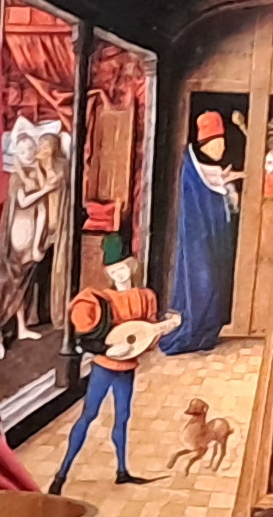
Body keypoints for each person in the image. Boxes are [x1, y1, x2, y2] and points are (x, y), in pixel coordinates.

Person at [42, 260, 163, 491]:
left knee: (123, 417)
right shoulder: (102, 299)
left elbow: (147, 338)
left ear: (132, 267)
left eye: (123, 268)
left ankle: (122, 471)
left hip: (127, 368)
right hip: (104, 367)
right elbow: (88, 333)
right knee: (89, 415)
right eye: (113, 271)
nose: (119, 274)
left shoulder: (145, 296)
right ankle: (61, 475)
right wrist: (109, 349)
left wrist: (160, 330)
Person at [164, 110, 240, 354]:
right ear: (205, 144)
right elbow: (202, 192)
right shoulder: (191, 168)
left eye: (222, 144)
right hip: (197, 239)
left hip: (213, 238)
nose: (221, 149)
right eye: (216, 144)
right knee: (201, 281)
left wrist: (227, 180)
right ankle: (193, 331)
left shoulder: (206, 168)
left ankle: (206, 334)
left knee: (215, 282)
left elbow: (214, 184)